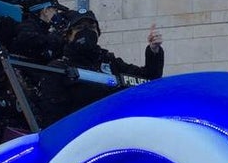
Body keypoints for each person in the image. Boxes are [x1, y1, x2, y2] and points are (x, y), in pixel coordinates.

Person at [36, 10, 165, 125]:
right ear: (68, 35)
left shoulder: (109, 60)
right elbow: (53, 120)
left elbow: (149, 78)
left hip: (115, 131)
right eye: (79, 28)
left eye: (91, 27)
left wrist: (154, 50)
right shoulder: (59, 68)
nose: (86, 32)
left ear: (98, 33)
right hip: (81, 137)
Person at [11, 0, 65, 64]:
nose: (56, 14)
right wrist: (56, 37)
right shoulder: (28, 26)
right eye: (55, 10)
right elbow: (31, 41)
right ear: (45, 11)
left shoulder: (41, 27)